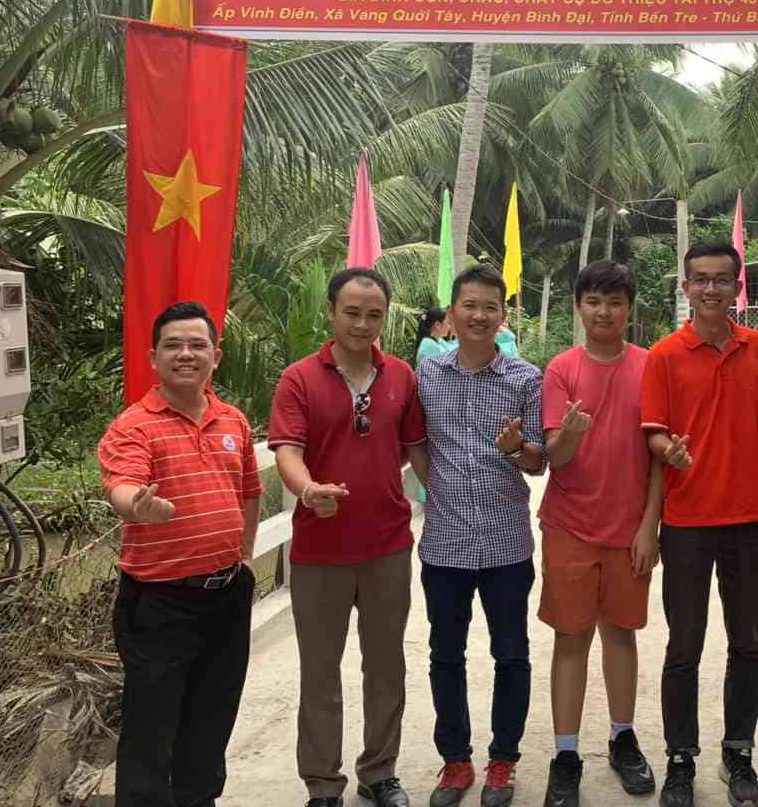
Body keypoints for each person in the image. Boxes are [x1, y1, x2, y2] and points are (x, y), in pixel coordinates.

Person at [268, 267, 430, 807]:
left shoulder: (401, 376)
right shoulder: (298, 378)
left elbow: (417, 449)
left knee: (386, 667)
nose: (362, 324)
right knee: (320, 672)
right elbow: (287, 449)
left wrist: (454, 500)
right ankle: (322, 784)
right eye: (352, 313)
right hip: (320, 551)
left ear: (385, 317)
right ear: (332, 313)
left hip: (387, 547)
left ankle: (379, 773)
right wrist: (307, 488)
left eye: (374, 314)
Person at [98, 301, 261, 807]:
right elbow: (123, 483)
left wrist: (246, 558)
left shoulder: (233, 421)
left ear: (216, 355)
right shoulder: (134, 426)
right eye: (173, 345)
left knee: (210, 724)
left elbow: (249, 492)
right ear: (153, 357)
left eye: (197, 345)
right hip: (160, 604)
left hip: (227, 596)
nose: (185, 354)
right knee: (151, 731)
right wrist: (137, 506)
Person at [640, 242, 758, 807]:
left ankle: (738, 752)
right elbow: (653, 432)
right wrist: (667, 449)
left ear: (737, 287)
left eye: (722, 279)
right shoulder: (664, 355)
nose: (711, 289)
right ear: (686, 288)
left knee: (746, 643)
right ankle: (680, 759)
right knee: (684, 646)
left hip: (750, 519)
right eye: (700, 279)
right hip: (687, 522)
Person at [417, 266, 546, 807]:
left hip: (505, 544)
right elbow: (414, 443)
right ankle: (455, 761)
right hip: (444, 544)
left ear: (502, 315)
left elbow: (539, 463)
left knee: (511, 654)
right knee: (445, 655)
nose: (479, 315)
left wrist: (515, 449)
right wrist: (437, 489)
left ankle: (502, 761)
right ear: (452, 314)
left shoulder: (526, 379)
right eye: (469, 305)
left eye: (490, 307)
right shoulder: (426, 375)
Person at [538, 261, 663, 807]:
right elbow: (555, 457)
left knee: (621, 633)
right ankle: (565, 753)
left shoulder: (651, 366)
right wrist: (569, 433)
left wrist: (650, 526)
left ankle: (622, 737)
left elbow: (659, 457)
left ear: (629, 309)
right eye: (593, 301)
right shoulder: (561, 369)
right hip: (569, 525)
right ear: (579, 306)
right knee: (571, 639)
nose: (604, 312)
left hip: (629, 528)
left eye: (614, 302)